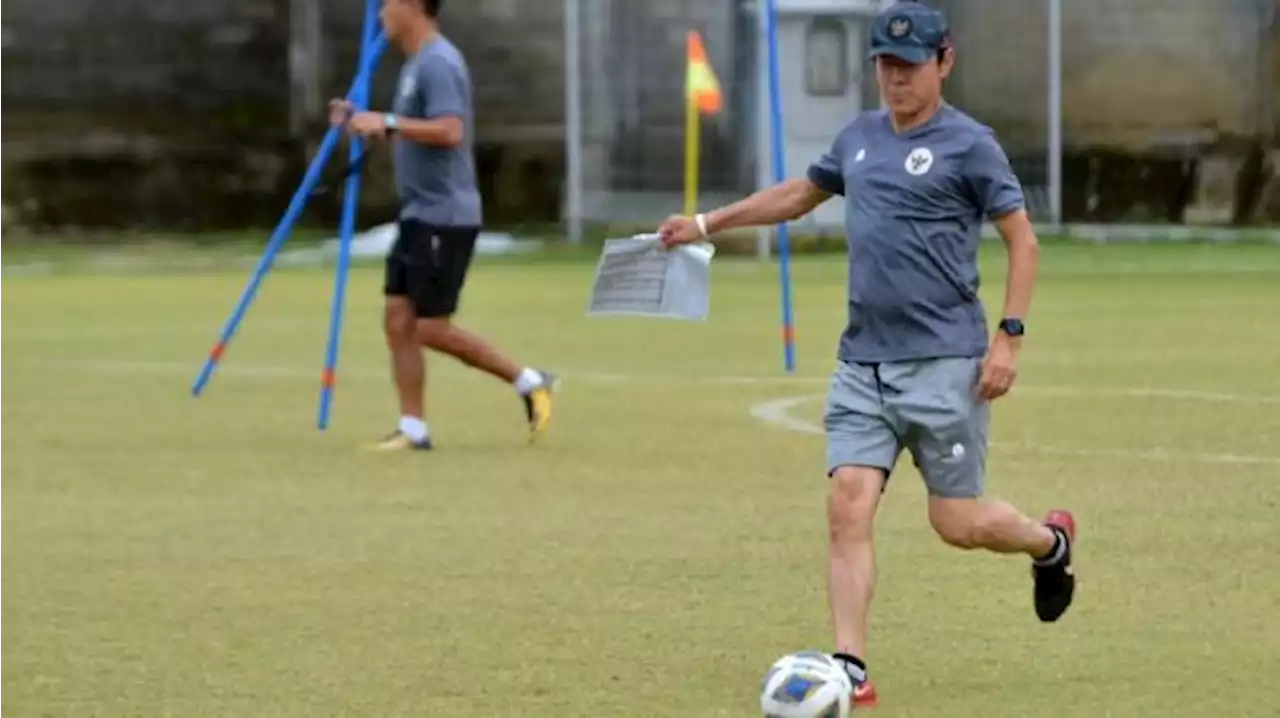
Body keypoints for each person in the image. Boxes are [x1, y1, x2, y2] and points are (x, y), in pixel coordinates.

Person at [659, 1, 1076, 708]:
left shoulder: (971, 145)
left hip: (946, 362)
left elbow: (1022, 239)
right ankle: (849, 664)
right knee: (847, 504)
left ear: (944, 62)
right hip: (862, 363)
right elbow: (797, 196)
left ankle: (1050, 544)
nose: (894, 78)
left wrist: (1009, 336)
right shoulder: (857, 139)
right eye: (884, 64)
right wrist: (706, 223)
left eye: (909, 66)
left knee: (958, 524)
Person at [331, 0, 556, 451]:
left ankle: (529, 380)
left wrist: (388, 122)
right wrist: (359, 122)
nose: (380, 14)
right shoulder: (415, 65)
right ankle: (413, 429)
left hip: (445, 216)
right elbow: (409, 129)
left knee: (429, 327)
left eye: (388, 4)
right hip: (417, 213)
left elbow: (450, 130)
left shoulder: (439, 62)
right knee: (397, 319)